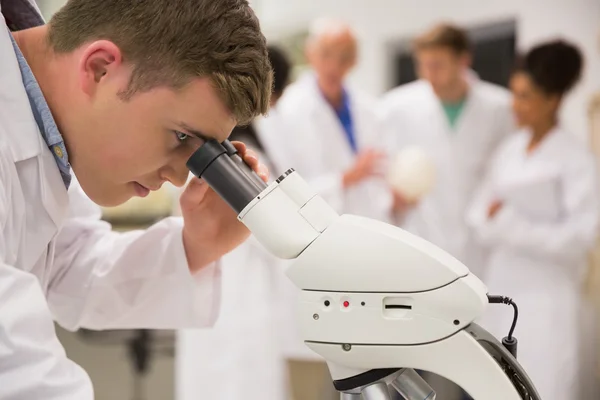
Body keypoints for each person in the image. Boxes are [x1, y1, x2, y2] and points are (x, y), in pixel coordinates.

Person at [0, 0, 272, 399]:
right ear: (99, 68)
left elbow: (63, 265)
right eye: (181, 136)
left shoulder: (51, 131)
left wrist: (195, 247)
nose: (181, 177)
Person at [467, 40, 599, 400]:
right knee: (496, 386)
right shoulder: (509, 150)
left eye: (525, 96)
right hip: (502, 288)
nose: (515, 105)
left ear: (552, 100)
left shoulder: (574, 159)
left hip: (549, 297)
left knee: (547, 385)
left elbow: (578, 238)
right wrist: (499, 223)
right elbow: (477, 214)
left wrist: (508, 224)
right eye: (514, 94)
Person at [176, 46, 297, 400]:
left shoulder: (244, 138)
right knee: (230, 374)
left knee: (237, 371)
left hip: (241, 275)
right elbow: (263, 220)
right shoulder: (231, 147)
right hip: (235, 275)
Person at [378, 23, 514, 276]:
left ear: (463, 60)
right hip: (421, 236)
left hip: (481, 243)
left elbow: (509, 171)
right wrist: (392, 196)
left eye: (438, 65)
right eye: (423, 65)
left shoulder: (500, 108)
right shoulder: (395, 107)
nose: (429, 74)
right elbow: (381, 166)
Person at [276, 18, 393, 223]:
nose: (334, 66)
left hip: (370, 226)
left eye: (344, 57)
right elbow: (287, 187)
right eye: (326, 54)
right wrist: (346, 178)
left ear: (355, 60)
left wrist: (394, 200)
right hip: (319, 229)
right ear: (310, 54)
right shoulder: (288, 110)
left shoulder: (369, 110)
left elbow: (380, 181)